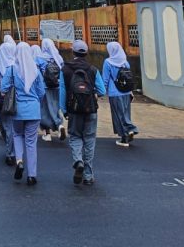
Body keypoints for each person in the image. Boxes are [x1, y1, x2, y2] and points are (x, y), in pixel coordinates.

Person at [61, 40, 106, 186]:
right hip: (90, 109)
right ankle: (88, 175)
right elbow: (102, 90)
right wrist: (94, 95)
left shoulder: (65, 69)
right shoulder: (93, 69)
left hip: (73, 109)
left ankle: (78, 161)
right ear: (86, 53)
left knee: (75, 136)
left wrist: (64, 110)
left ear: (72, 51)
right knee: (89, 139)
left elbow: (62, 91)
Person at [1, 41, 46, 185]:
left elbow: (3, 88)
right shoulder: (36, 70)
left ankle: (19, 160)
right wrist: (35, 102)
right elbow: (41, 92)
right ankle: (32, 175)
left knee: (17, 135)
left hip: (18, 110)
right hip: (34, 110)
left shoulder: (12, 69)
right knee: (31, 142)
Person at [103, 41, 139, 147]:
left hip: (115, 93)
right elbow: (129, 78)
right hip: (126, 92)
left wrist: (101, 92)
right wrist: (131, 91)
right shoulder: (125, 62)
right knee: (125, 114)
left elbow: (105, 79)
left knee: (118, 116)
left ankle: (126, 136)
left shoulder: (108, 62)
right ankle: (129, 130)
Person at [37, 39, 67, 142]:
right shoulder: (59, 58)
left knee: (45, 110)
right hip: (57, 86)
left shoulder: (40, 58)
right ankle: (59, 125)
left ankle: (47, 133)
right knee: (55, 107)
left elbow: (38, 75)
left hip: (45, 87)